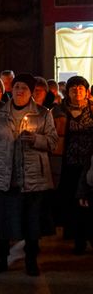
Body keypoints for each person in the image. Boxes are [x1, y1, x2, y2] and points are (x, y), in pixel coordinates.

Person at [0, 73, 58, 275]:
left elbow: (53, 142)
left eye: (24, 88)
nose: (19, 91)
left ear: (31, 91)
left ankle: (31, 259)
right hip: (5, 175)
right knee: (2, 221)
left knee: (31, 222)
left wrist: (35, 139)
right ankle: (0, 259)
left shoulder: (43, 114)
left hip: (32, 178)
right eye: (16, 87)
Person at [53, 76, 93, 253]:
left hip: (90, 165)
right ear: (67, 92)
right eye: (73, 89)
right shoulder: (59, 111)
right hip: (68, 164)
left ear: (86, 91)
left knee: (88, 203)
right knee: (71, 202)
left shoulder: (92, 110)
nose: (77, 92)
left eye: (81, 88)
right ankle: (77, 239)